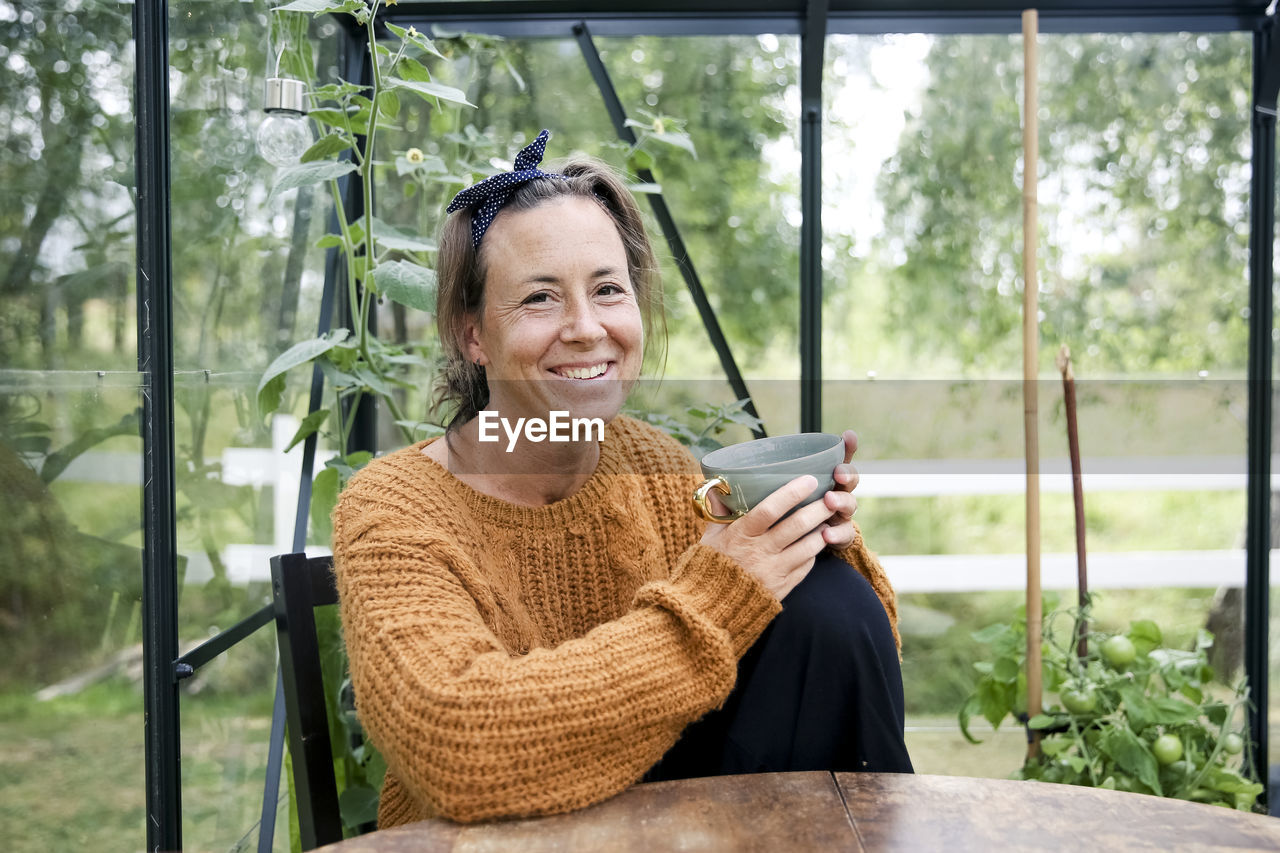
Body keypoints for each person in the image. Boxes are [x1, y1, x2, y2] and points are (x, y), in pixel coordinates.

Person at [330, 130, 912, 828]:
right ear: (472, 335)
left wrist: (810, 537)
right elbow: (459, 748)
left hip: (654, 829)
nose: (586, 328)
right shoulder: (394, 507)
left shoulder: (653, 466)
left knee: (827, 600)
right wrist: (722, 594)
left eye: (608, 289)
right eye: (540, 299)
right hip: (494, 845)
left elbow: (837, 652)